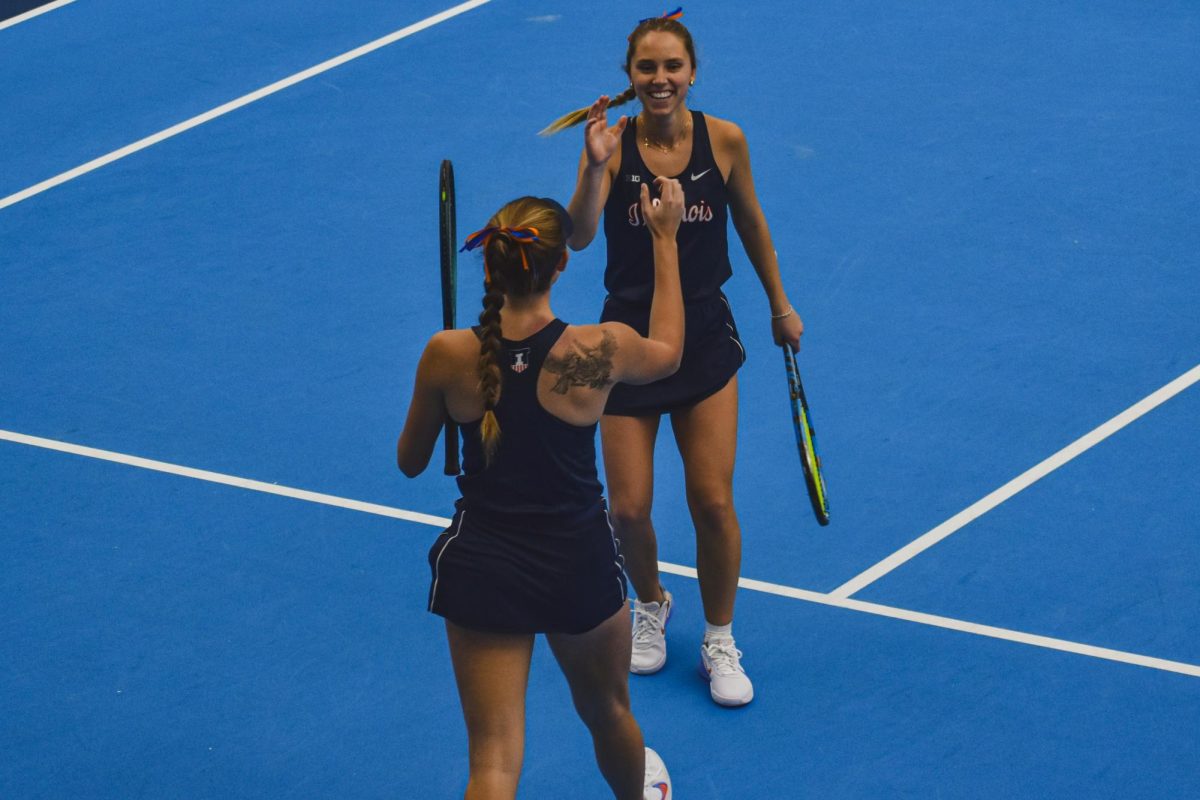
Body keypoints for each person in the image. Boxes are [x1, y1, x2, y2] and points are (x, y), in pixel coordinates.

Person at [542, 11, 805, 707]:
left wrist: (780, 305)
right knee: (627, 509)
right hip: (626, 343)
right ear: (629, 77)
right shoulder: (611, 143)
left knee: (712, 501)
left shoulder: (724, 141)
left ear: (692, 72)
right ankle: (652, 601)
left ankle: (720, 637)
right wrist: (594, 168)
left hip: (705, 340)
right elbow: (581, 233)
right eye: (646, 68)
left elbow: (751, 223)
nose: (660, 80)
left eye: (671, 67)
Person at [396, 183, 685, 800]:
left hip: (483, 565)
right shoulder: (599, 349)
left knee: (493, 763)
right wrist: (664, 237)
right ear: (561, 263)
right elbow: (669, 353)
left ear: (490, 262)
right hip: (574, 565)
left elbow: (411, 462)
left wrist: (450, 410)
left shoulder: (446, 354)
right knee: (608, 713)